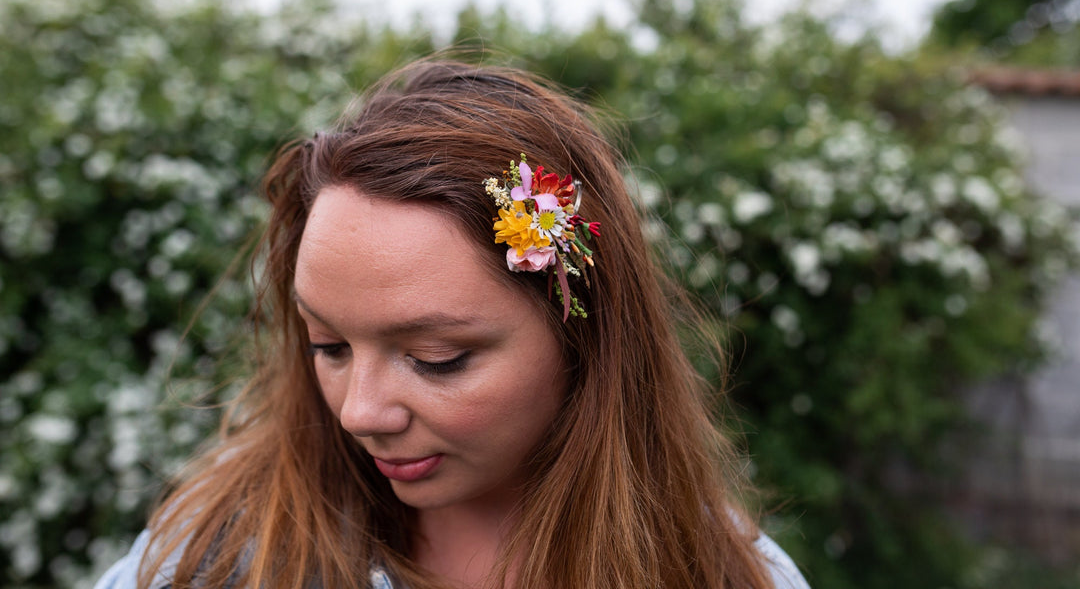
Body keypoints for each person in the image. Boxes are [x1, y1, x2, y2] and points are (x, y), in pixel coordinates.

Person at [94, 59, 809, 589]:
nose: (359, 412)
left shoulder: (729, 574)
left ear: (581, 342)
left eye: (436, 358)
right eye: (328, 345)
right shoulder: (216, 554)